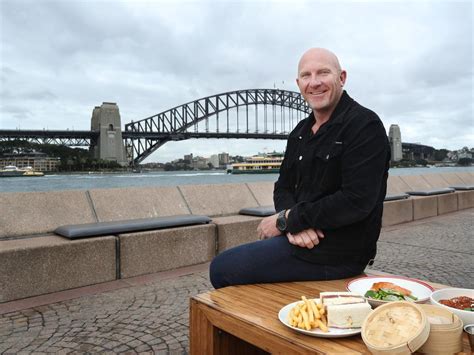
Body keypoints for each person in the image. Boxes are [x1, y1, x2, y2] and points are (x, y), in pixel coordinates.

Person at [210, 48, 390, 289]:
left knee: (223, 269)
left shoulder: (365, 125)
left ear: (342, 78)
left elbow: (355, 201)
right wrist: (291, 224)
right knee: (234, 265)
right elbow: (282, 186)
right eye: (306, 76)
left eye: (323, 73)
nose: (314, 83)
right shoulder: (299, 133)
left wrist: (289, 220)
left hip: (341, 252)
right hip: (302, 243)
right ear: (298, 83)